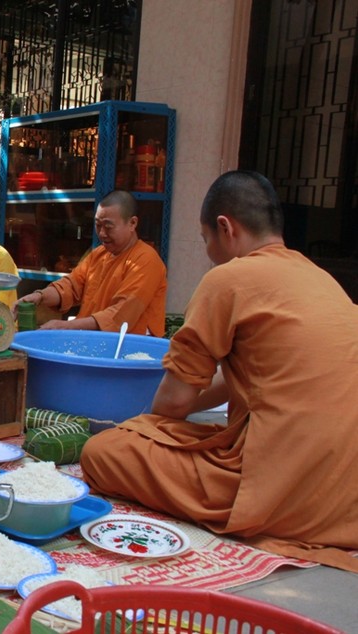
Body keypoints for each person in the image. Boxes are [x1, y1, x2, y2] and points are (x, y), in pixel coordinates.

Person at [80, 171, 358, 572]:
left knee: (106, 450)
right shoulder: (323, 281)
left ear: (225, 228)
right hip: (347, 498)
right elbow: (247, 381)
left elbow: (172, 406)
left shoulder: (228, 279)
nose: (209, 251)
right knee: (191, 433)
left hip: (283, 492)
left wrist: (141, 422)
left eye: (206, 239)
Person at [17, 190, 167, 335]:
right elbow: (71, 285)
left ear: (132, 223)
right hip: (92, 342)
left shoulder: (146, 260)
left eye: (108, 227)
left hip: (128, 347)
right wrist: (40, 296)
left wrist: (66, 326)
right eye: (98, 225)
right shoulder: (99, 254)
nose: (102, 233)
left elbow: (121, 315)